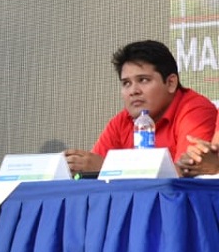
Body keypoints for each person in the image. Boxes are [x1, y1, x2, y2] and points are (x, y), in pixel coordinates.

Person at [64, 40, 215, 177]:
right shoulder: (122, 121)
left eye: (143, 80)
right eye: (126, 83)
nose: (133, 91)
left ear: (171, 83)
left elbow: (185, 176)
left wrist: (106, 168)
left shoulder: (195, 110)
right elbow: (92, 170)